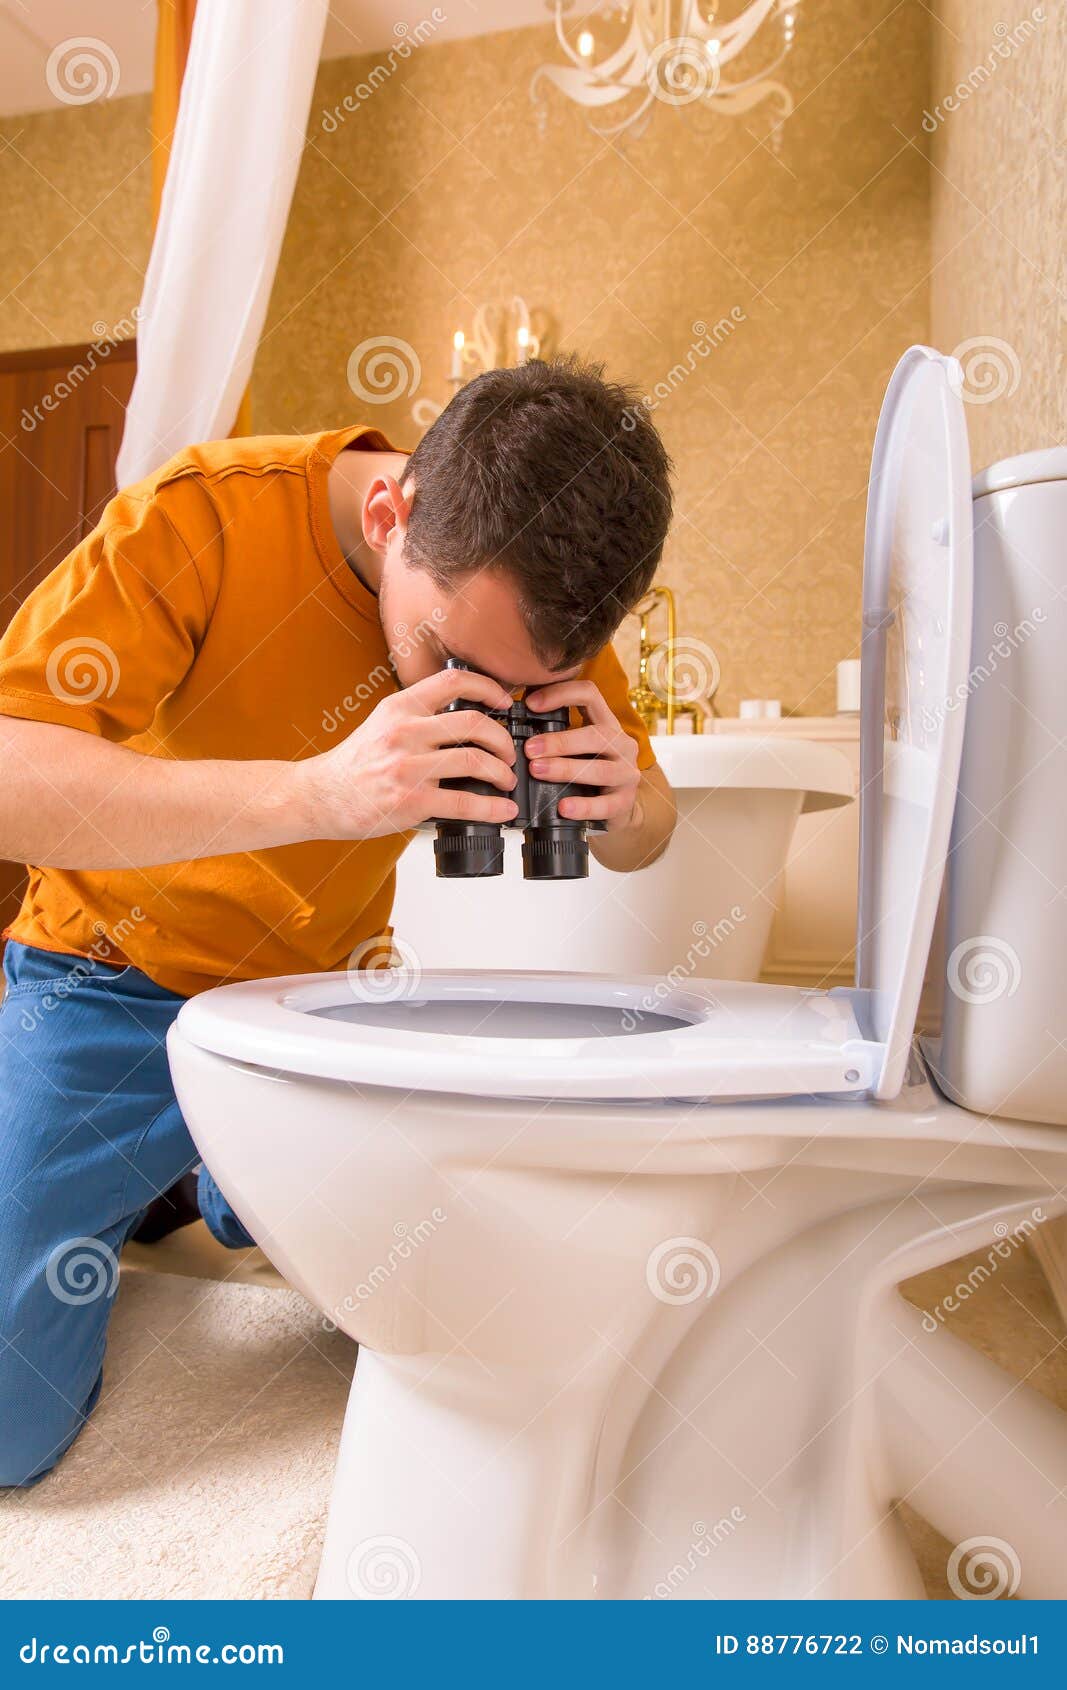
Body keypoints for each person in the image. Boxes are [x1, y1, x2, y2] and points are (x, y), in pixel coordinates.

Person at [0, 355, 676, 1486]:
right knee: (11, 1431)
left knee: (483, 1318)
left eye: (523, 687)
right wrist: (318, 791)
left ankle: (209, 1183)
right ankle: (168, 1176)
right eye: (460, 665)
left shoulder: (536, 585)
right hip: (105, 984)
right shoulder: (202, 513)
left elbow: (648, 826)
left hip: (323, 998)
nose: (495, 706)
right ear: (388, 511)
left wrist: (625, 804)